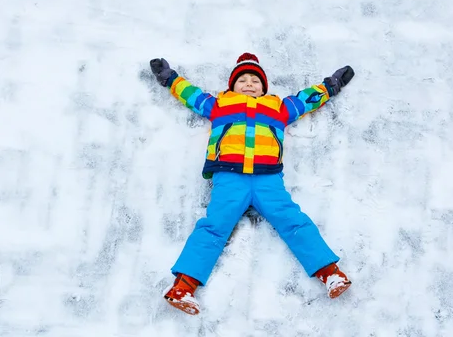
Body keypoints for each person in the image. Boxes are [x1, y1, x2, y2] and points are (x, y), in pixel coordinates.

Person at [149, 53, 355, 315]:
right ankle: (183, 287)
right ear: (232, 86)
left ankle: (330, 273)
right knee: (214, 227)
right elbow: (191, 94)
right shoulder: (219, 105)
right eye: (242, 80)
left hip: (267, 179)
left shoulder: (278, 107)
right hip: (229, 177)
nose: (248, 84)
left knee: (293, 220)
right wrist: (170, 78)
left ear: (264, 87)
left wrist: (331, 85)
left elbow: (307, 100)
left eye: (255, 80)